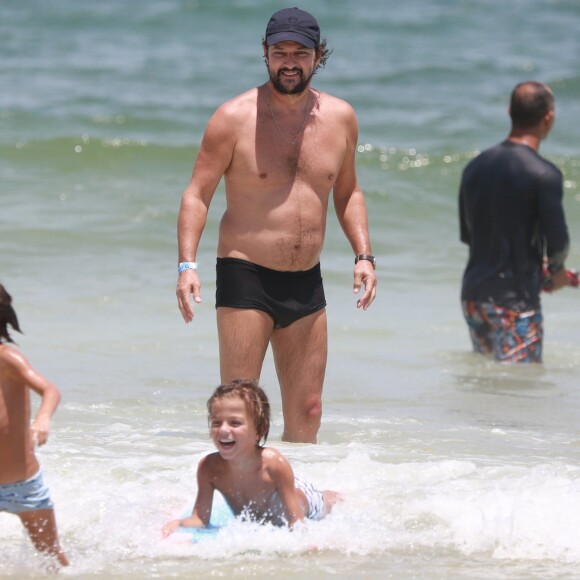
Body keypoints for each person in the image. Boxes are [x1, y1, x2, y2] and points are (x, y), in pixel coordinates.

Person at [175, 7, 377, 444]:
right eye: (279, 52)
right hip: (246, 273)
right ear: (264, 54)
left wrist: (364, 254)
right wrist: (185, 265)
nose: (289, 62)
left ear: (317, 56)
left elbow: (348, 193)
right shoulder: (233, 118)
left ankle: (288, 507)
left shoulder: (341, 118)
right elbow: (197, 194)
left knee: (308, 411)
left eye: (299, 53)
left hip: (306, 279)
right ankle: (235, 509)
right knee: (241, 408)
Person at [459, 81, 572, 363]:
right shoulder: (544, 174)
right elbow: (557, 242)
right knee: (519, 387)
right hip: (515, 302)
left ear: (510, 112)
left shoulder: (474, 167)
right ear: (549, 117)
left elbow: (469, 236)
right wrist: (556, 270)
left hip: (474, 297)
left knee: (490, 383)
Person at [162, 379, 341, 536]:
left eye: (235, 423)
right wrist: (179, 523)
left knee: (327, 502)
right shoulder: (209, 468)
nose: (223, 429)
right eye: (217, 422)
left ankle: (340, 496)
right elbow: (200, 518)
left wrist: (307, 543)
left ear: (259, 431)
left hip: (304, 501)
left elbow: (297, 522)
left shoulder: (273, 464)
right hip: (276, 495)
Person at [0, 283, 69, 568]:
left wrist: (42, 419)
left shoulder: (8, 359)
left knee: (52, 558)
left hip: (23, 487)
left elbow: (50, 390)